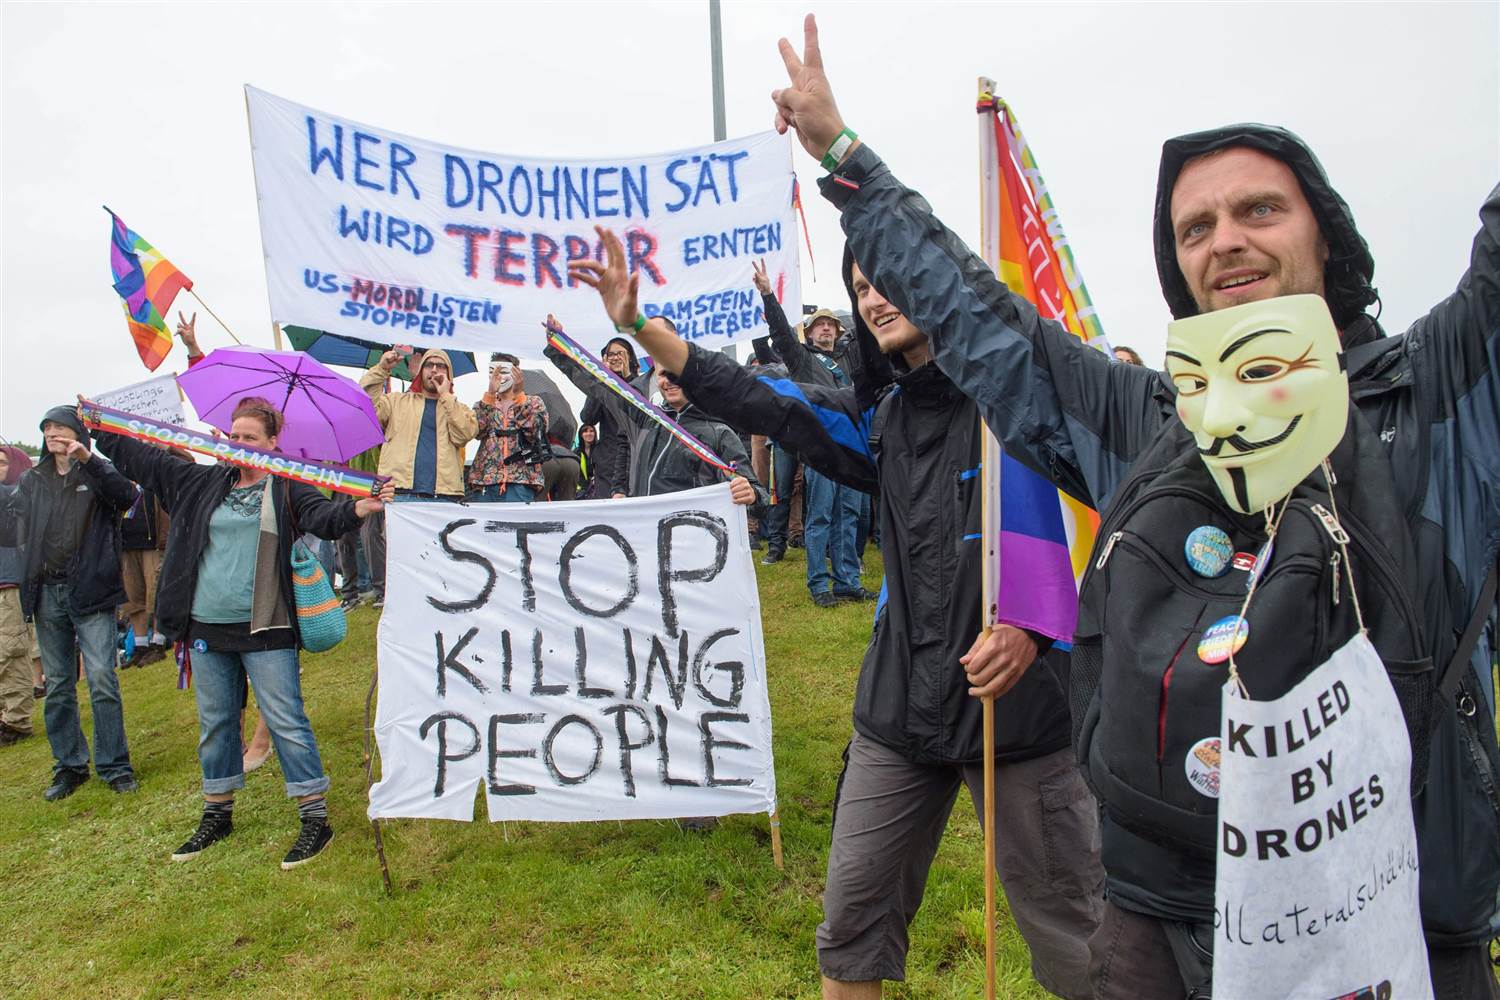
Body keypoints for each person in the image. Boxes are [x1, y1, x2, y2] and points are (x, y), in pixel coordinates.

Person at [768, 14, 1500, 997]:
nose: (1226, 240)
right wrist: (845, 157)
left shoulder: (1442, 392)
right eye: (1195, 228)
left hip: (1393, 927)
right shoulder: (1144, 422)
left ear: (1325, 231)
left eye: (1259, 211)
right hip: (1160, 926)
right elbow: (985, 322)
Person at [568, 225, 1102, 1000]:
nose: (874, 296)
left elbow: (1095, 529)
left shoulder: (1032, 396)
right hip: (900, 712)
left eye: (887, 275)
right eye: (859, 287)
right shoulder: (877, 419)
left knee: (1078, 940)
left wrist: (1034, 623)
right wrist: (643, 328)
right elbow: (768, 402)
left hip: (1022, 716)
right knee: (851, 927)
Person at [94, 396, 394, 868]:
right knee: (216, 724)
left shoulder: (287, 488)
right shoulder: (198, 481)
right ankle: (218, 813)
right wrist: (99, 425)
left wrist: (362, 508)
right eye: (234, 436)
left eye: (249, 437)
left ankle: (315, 818)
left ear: (273, 443)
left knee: (285, 720)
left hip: (268, 626)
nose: (238, 444)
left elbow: (326, 520)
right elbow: (146, 459)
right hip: (206, 628)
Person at [0, 407, 138, 799]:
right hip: (46, 592)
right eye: (46, 429)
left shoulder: (95, 471)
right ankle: (70, 766)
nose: (52, 434)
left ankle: (115, 765)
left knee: (101, 679)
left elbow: (126, 496)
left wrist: (87, 458)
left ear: (78, 432)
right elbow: (10, 530)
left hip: (91, 589)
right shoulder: (33, 480)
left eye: (59, 428)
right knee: (58, 683)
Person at [545, 326, 768, 511]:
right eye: (662, 374)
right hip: (647, 535)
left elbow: (758, 494)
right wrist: (559, 347)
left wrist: (751, 495)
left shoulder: (719, 433)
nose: (668, 380)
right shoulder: (646, 420)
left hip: (692, 542)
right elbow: (598, 386)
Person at [753, 261, 869, 606]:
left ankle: (847, 579)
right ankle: (819, 584)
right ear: (810, 332)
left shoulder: (850, 360)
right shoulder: (802, 360)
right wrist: (769, 296)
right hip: (821, 451)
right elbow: (782, 336)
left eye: (830, 325)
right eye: (819, 325)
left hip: (852, 449)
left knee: (849, 515)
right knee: (819, 516)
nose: (826, 330)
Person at [470, 354, 548, 503]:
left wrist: (519, 397)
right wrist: (490, 396)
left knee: (515, 526)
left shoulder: (533, 402)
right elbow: (476, 431)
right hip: (486, 481)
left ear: (516, 372)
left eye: (503, 371)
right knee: (485, 526)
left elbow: (535, 433)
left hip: (521, 480)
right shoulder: (483, 404)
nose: (498, 376)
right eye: (493, 372)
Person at [0, 446, 36, 746]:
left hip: (10, 584)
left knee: (11, 653)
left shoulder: (19, 494)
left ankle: (17, 720)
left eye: (1, 463)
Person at [575, 424, 599, 499]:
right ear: (581, 434)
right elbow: (577, 473)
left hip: (600, 486)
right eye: (585, 431)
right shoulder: (576, 452)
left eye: (591, 431)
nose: (589, 433)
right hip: (583, 490)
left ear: (595, 433)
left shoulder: (601, 449)